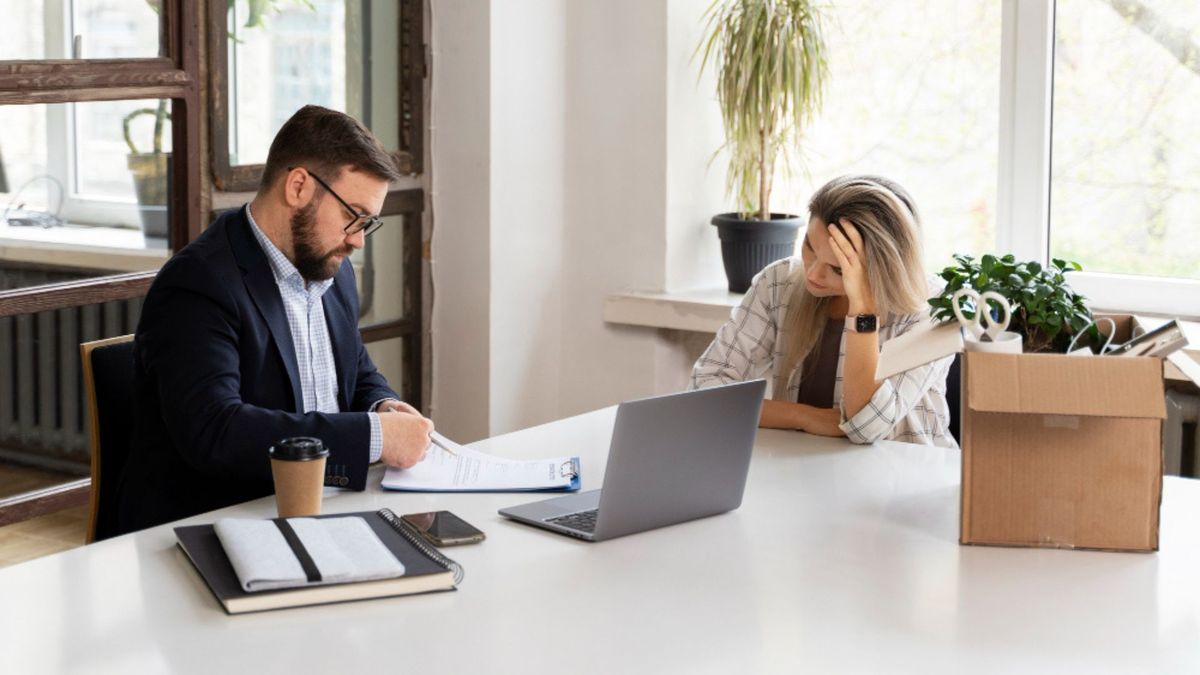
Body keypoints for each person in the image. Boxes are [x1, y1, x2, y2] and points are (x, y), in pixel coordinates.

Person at [117, 105, 434, 533]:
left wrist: (384, 406)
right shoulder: (198, 283)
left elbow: (355, 369)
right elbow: (217, 431)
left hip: (319, 514)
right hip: (213, 530)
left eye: (367, 223)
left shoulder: (330, 267)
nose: (358, 240)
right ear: (299, 186)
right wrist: (376, 435)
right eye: (352, 216)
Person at [690, 175, 955, 448]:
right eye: (810, 247)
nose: (813, 273)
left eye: (838, 268)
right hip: (804, 469)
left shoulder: (934, 306)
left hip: (908, 476)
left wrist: (862, 308)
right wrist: (804, 417)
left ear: (883, 268)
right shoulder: (779, 282)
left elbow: (866, 426)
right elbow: (704, 392)